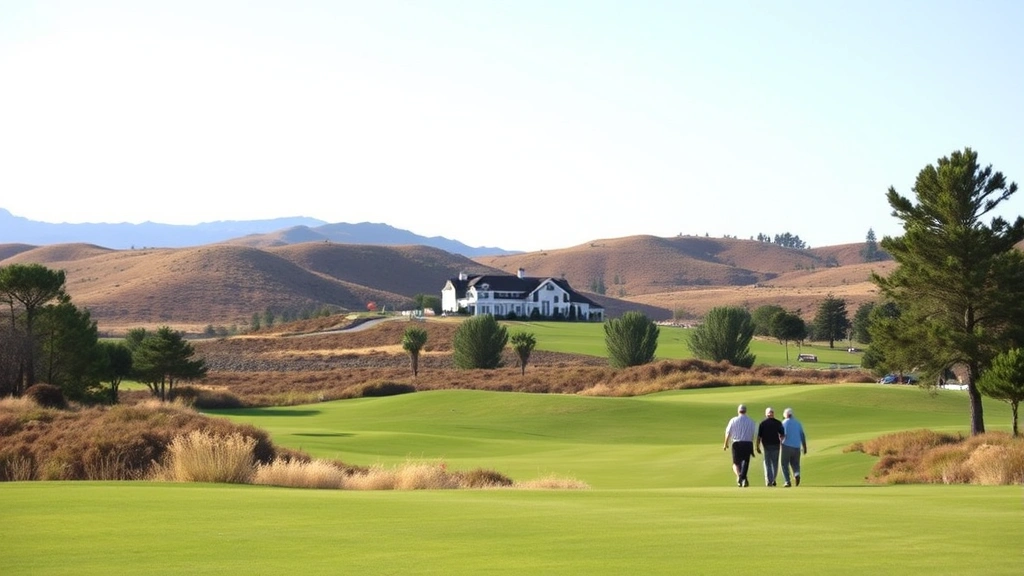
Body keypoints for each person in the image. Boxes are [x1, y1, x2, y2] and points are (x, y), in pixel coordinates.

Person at [723, 403, 756, 487]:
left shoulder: (733, 420)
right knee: (745, 462)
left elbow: (728, 432)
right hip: (748, 443)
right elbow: (753, 434)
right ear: (745, 411)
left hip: (737, 443)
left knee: (736, 463)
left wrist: (725, 444)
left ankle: (739, 477)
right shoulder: (751, 421)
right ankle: (743, 478)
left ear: (738, 411)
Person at [756, 406, 785, 487]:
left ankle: (769, 480)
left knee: (767, 463)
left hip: (766, 445)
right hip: (776, 445)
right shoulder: (778, 423)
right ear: (773, 414)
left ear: (766, 414)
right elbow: (782, 434)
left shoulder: (762, 423)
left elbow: (759, 436)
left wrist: (757, 446)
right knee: (775, 463)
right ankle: (773, 479)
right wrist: (781, 441)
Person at [780, 407, 808, 487]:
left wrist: (780, 444)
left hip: (786, 446)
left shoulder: (784, 423)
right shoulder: (798, 423)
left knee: (784, 464)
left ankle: (787, 481)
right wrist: (804, 447)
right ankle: (797, 474)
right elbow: (802, 435)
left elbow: (782, 435)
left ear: (785, 415)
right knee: (795, 464)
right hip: (797, 447)